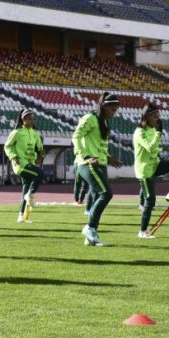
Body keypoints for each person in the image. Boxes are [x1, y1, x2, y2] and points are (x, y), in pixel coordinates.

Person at [74, 92, 123, 246]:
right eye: (112, 110)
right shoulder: (90, 118)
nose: (113, 114)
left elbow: (100, 146)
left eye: (115, 111)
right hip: (88, 164)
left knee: (98, 196)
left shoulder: (105, 123)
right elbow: (76, 136)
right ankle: (90, 228)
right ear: (103, 106)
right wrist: (86, 155)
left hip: (99, 163)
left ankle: (89, 235)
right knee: (106, 193)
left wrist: (108, 157)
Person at [133, 103, 169, 239]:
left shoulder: (152, 130)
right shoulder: (140, 132)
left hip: (155, 165)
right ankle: (142, 231)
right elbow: (149, 147)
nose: (157, 119)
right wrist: (159, 134)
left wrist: (160, 149)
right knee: (150, 201)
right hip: (145, 171)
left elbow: (153, 149)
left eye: (158, 117)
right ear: (147, 117)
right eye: (155, 117)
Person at [3, 108, 45, 224]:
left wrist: (40, 155)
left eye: (33, 119)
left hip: (30, 164)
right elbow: (7, 146)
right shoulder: (16, 132)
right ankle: (30, 195)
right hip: (21, 165)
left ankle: (21, 216)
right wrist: (13, 156)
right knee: (40, 174)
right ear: (23, 119)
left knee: (25, 190)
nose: (32, 121)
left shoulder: (35, 133)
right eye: (30, 119)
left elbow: (40, 148)